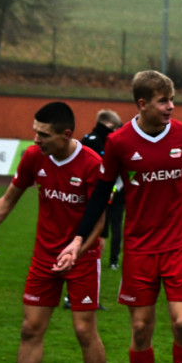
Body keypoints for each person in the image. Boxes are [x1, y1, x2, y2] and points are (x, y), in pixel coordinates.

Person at [56, 70, 182, 363]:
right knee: (141, 329)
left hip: (178, 244)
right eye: (162, 101)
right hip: (139, 248)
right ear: (142, 104)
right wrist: (79, 238)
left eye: (172, 100)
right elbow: (100, 194)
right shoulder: (120, 142)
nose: (170, 107)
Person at [0, 102, 110, 363]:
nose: (36, 139)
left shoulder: (93, 164)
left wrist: (78, 248)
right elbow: (8, 198)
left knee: (84, 331)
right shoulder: (34, 158)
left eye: (44, 135)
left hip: (81, 258)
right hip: (44, 257)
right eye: (35, 131)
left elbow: (100, 219)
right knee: (30, 328)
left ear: (66, 135)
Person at [81, 109, 124, 270]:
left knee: (111, 226)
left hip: (113, 191)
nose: (116, 130)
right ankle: (98, 260)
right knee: (103, 227)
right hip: (100, 191)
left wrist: (114, 189)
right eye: (115, 126)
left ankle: (108, 260)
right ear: (108, 124)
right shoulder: (98, 140)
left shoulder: (93, 139)